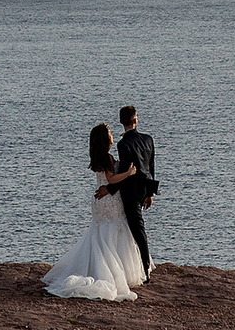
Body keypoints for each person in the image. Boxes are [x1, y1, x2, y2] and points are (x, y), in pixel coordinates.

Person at [43, 123, 149, 302]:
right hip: (109, 200)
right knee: (113, 233)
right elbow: (111, 178)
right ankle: (111, 273)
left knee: (100, 234)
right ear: (105, 139)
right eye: (109, 133)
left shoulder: (98, 157)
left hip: (100, 202)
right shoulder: (107, 157)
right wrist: (129, 173)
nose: (112, 135)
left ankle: (97, 267)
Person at [106, 104, 158, 272]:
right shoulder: (148, 139)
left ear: (121, 122)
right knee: (138, 229)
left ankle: (144, 267)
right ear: (136, 120)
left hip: (130, 192)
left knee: (137, 230)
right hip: (144, 189)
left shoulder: (123, 144)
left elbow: (126, 172)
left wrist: (109, 189)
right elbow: (151, 168)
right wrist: (149, 193)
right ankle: (141, 264)